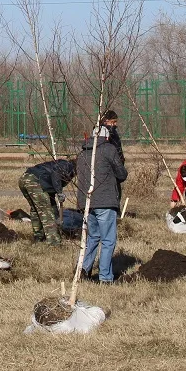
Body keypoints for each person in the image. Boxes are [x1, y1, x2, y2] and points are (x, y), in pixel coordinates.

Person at [76, 120, 128, 283]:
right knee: (108, 240)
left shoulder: (83, 153)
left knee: (93, 237)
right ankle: (105, 277)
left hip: (86, 202)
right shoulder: (109, 149)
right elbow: (122, 174)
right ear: (106, 137)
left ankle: (84, 270)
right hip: (105, 201)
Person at [18, 157, 76, 245]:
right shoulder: (67, 166)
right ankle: (54, 242)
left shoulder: (61, 164)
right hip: (35, 181)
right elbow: (55, 175)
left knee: (36, 210)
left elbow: (51, 180)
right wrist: (59, 192)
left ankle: (39, 237)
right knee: (47, 212)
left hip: (24, 178)